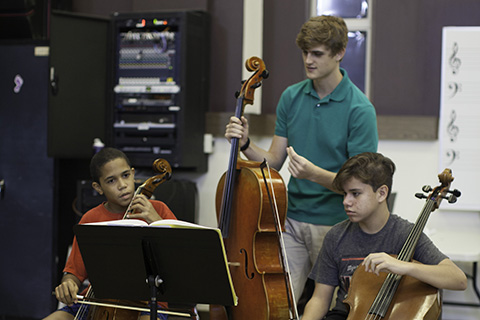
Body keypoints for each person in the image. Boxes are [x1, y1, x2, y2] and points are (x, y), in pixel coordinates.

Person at [225, 15, 378, 302]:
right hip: (290, 219)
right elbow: (272, 161)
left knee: (335, 307)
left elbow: (361, 189)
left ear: (339, 53)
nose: (308, 60)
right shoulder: (291, 97)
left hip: (336, 224)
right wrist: (245, 143)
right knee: (278, 303)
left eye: (317, 53)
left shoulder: (360, 110)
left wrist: (313, 174)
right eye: (305, 52)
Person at [302, 152, 468, 320]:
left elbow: (458, 279)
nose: (346, 201)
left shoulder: (405, 234)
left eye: (355, 193)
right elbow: (320, 299)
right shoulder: (336, 236)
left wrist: (403, 266)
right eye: (345, 194)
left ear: (381, 193)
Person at [44, 147, 177, 320]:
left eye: (125, 175)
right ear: (98, 187)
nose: (122, 185)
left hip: (148, 303)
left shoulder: (158, 209)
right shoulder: (91, 219)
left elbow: (178, 260)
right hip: (95, 301)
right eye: (111, 181)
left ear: (133, 173)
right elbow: (74, 273)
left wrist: (156, 221)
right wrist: (68, 284)